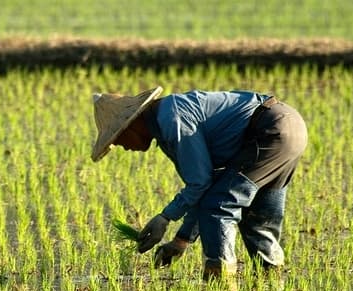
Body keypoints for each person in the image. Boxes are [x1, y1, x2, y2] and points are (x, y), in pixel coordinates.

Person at [91, 86, 307, 279]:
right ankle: (273, 284)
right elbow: (205, 187)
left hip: (269, 131)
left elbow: (200, 184)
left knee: (219, 206)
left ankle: (221, 289)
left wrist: (165, 217)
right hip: (290, 126)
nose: (122, 146)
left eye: (117, 139)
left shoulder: (172, 119)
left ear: (131, 125)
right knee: (257, 221)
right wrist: (181, 241)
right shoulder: (168, 117)